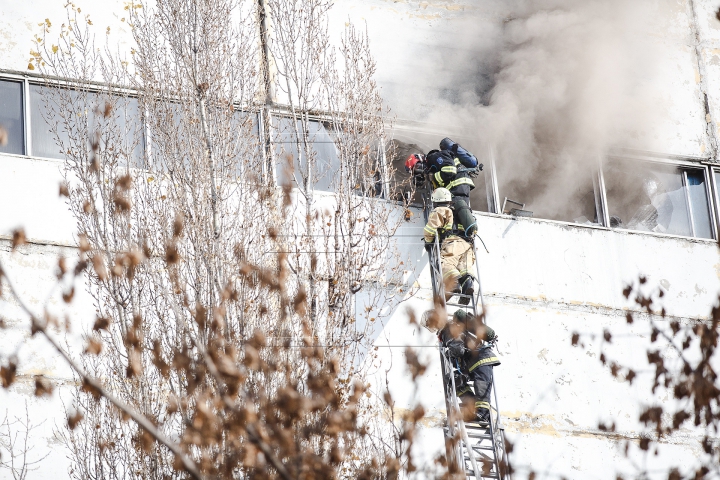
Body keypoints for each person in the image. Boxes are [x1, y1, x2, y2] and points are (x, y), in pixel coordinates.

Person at [440, 309, 500, 423]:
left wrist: (449, 353)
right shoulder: (456, 327)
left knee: (481, 384)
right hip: (473, 363)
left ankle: (483, 412)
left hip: (481, 358)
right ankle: (473, 407)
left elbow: (458, 350)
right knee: (453, 379)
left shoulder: (448, 330)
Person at [423, 187, 477, 305]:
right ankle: (468, 284)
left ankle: (452, 284)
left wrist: (428, 242)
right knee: (464, 268)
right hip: (468, 246)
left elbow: (430, 229)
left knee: (445, 263)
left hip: (453, 243)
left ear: (436, 200)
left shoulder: (441, 210)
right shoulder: (459, 212)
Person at [425, 138, 482, 207]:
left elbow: (450, 171)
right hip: (463, 186)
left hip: (457, 186)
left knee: (455, 210)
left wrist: (433, 177)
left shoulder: (435, 157)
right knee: (460, 211)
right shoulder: (449, 156)